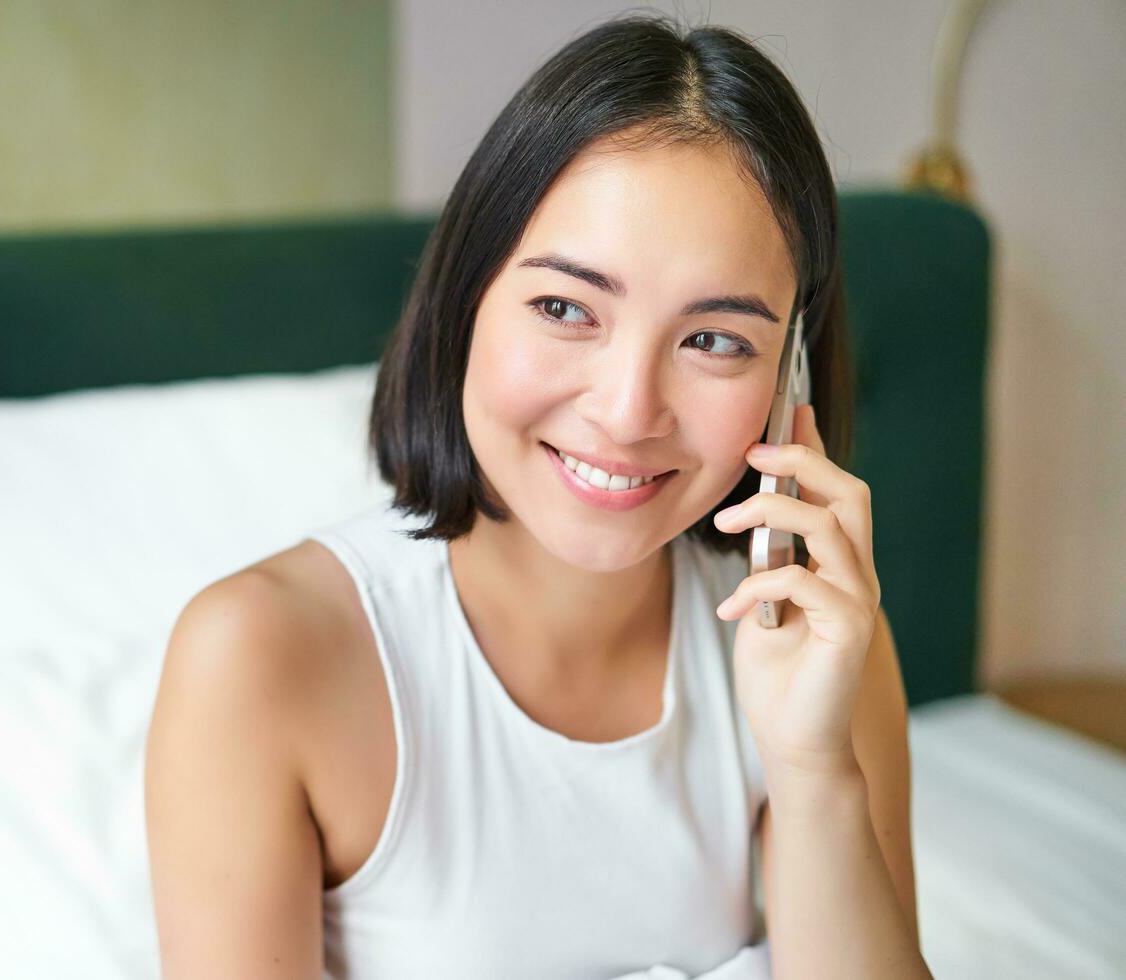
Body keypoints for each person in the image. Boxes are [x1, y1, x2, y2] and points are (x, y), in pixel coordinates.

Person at [146, 11, 925, 979]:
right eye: (565, 308)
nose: (629, 410)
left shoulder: (811, 645)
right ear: (466, 297)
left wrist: (812, 771)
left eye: (715, 338)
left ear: (788, 375)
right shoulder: (259, 654)